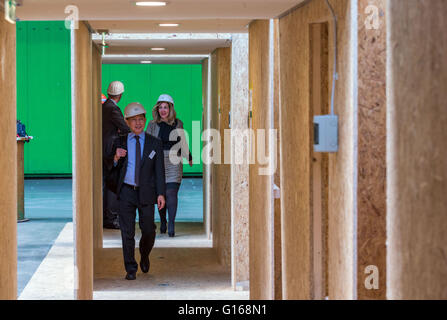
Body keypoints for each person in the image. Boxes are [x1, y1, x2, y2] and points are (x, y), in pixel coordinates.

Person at [106, 102, 166, 281]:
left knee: (149, 230)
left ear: (145, 120)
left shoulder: (155, 143)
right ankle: (130, 267)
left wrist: (161, 193)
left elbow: (159, 172)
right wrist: (115, 157)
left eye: (141, 119)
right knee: (127, 232)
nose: (138, 123)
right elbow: (109, 166)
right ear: (127, 122)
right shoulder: (120, 142)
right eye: (133, 120)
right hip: (126, 192)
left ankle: (144, 254)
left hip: (147, 192)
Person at [146, 94, 193, 238]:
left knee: (171, 193)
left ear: (170, 108)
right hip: (158, 161)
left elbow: (183, 142)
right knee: (161, 192)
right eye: (160, 107)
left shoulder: (178, 123)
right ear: (157, 109)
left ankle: (171, 224)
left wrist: (188, 156)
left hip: (174, 160)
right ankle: (163, 221)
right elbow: (147, 144)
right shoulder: (152, 124)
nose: (163, 110)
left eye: (165, 107)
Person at [102, 80, 130, 229]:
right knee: (112, 184)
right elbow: (124, 128)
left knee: (108, 184)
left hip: (105, 149)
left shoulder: (104, 107)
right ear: (120, 94)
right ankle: (110, 218)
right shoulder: (113, 109)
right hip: (110, 150)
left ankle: (108, 216)